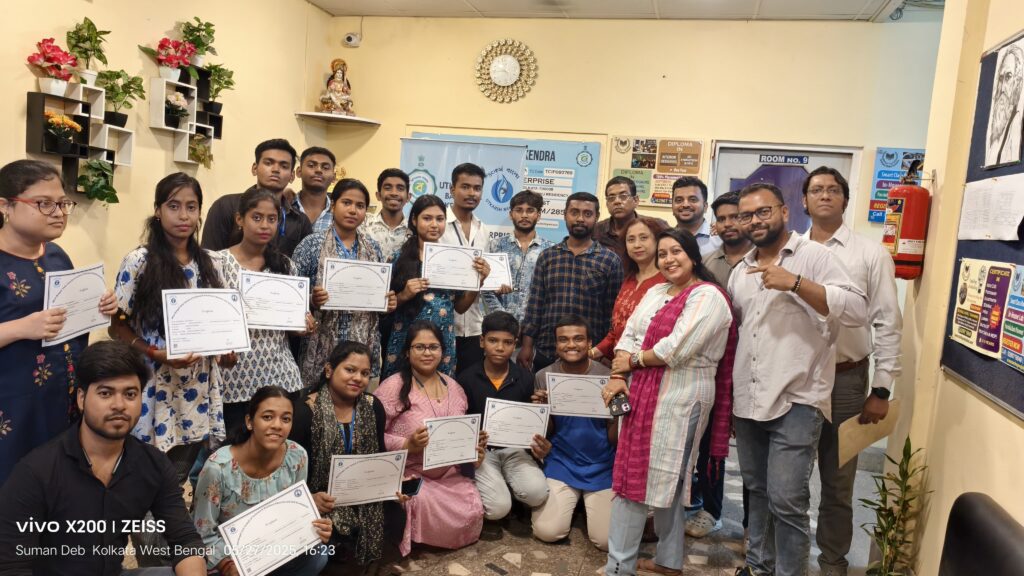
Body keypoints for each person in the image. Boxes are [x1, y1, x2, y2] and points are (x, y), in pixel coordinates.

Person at [729, 183, 867, 576]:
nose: (754, 221)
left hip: (798, 399)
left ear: (785, 211)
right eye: (746, 215)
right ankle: (758, 567)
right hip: (749, 398)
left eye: (763, 211)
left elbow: (857, 310)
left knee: (787, 500)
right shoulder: (740, 271)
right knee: (757, 491)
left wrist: (794, 283)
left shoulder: (815, 257)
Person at [0, 340, 206, 575]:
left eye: (130, 394)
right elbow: (11, 566)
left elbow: (186, 542)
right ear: (81, 399)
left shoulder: (153, 464)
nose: (119, 405)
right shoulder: (37, 471)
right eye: (105, 393)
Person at [601, 228, 736, 576]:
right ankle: (667, 561)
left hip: (682, 395)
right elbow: (629, 334)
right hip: (642, 390)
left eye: (676, 251)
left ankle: (619, 567)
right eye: (662, 254)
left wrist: (631, 362)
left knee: (660, 478)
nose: (668, 259)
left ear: (693, 256)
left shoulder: (708, 296)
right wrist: (619, 373)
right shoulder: (657, 291)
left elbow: (677, 347)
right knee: (656, 478)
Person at [802, 167, 902, 576]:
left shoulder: (869, 253)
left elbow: (888, 321)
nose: (824, 195)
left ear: (845, 198)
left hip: (846, 379)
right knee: (788, 479)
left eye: (833, 189)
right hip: (797, 379)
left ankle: (832, 563)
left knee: (838, 482)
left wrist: (882, 388)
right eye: (816, 190)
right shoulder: (791, 250)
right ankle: (784, 559)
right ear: (805, 200)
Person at [0, 159, 116, 485]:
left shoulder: (56, 255)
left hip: (60, 399)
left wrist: (99, 307)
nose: (59, 212)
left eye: (63, 203)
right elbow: (29, 324)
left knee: (57, 485)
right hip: (12, 404)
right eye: (44, 203)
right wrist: (21, 328)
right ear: (5, 206)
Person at [110, 172, 228, 465]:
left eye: (191, 207)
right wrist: (153, 352)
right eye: (173, 206)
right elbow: (116, 327)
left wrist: (228, 350)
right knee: (144, 467)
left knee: (178, 472)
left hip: (198, 384)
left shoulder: (212, 263)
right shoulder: (139, 261)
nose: (183, 216)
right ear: (158, 210)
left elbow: (221, 324)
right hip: (153, 379)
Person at [374, 320, 487, 556]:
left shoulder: (455, 387)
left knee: (471, 508)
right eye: (419, 347)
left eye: (433, 347)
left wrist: (473, 451)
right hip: (411, 472)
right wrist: (407, 444)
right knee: (423, 502)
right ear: (407, 352)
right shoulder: (393, 387)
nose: (427, 353)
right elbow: (371, 435)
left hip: (449, 473)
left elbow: (460, 436)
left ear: (442, 352)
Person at [290, 341, 407, 569]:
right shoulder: (304, 412)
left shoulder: (373, 406)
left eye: (364, 373)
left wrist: (392, 483)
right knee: (332, 540)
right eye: (350, 370)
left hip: (363, 493)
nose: (358, 378)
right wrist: (310, 498)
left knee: (394, 516)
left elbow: (379, 457)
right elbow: (290, 471)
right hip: (321, 500)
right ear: (329, 370)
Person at [193, 386, 332, 576]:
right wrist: (226, 565)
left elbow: (292, 514)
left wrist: (315, 525)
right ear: (249, 422)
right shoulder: (218, 468)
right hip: (232, 557)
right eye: (267, 417)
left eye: (286, 419)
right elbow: (202, 534)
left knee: (318, 554)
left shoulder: (297, 456)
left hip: (274, 548)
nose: (277, 425)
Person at [217, 188, 312, 434]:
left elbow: (294, 326)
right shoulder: (216, 263)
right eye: (256, 217)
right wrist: (218, 351)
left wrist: (304, 325)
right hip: (233, 377)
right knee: (235, 448)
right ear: (240, 219)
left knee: (277, 446)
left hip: (280, 375)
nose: (264, 225)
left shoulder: (286, 266)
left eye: (272, 219)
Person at [686, 190, 752, 540]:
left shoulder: (761, 261)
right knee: (710, 444)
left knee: (753, 452)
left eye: (736, 217)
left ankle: (753, 524)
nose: (728, 224)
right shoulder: (708, 263)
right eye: (722, 219)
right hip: (714, 366)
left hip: (752, 366)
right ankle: (711, 510)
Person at [293, 178, 397, 387]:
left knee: (357, 402)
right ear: (333, 205)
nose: (352, 210)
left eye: (360, 206)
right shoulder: (311, 244)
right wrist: (312, 299)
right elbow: (293, 294)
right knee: (317, 402)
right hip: (320, 344)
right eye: (346, 203)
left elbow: (379, 297)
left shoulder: (373, 248)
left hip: (362, 343)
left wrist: (387, 303)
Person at [531, 314, 615, 551]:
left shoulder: (608, 377)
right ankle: (575, 501)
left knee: (606, 541)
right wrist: (542, 411)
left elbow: (614, 438)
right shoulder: (544, 376)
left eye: (578, 339)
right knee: (548, 532)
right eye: (563, 339)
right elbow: (547, 432)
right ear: (556, 344)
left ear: (589, 343)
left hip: (601, 464)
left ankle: (584, 502)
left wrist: (619, 414)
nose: (571, 345)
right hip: (562, 461)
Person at [383, 194, 489, 378]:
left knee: (438, 391)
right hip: (406, 340)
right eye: (427, 218)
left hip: (442, 340)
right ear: (414, 220)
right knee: (400, 390)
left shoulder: (454, 259)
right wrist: (404, 295)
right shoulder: (398, 258)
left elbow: (460, 307)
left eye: (440, 219)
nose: (434, 224)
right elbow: (383, 307)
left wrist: (477, 282)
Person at [459, 312, 550, 521]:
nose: (500, 348)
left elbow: (533, 426)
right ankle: (493, 490)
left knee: (537, 494)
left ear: (515, 344)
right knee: (498, 509)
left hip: (515, 450)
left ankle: (511, 488)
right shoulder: (466, 379)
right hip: (483, 453)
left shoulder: (526, 378)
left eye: (507, 342)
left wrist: (539, 410)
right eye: (493, 341)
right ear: (482, 341)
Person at [519, 192, 623, 371]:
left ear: (597, 217)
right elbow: (535, 305)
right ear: (565, 215)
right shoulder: (548, 257)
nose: (580, 218)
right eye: (574, 212)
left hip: (592, 354)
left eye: (587, 214)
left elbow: (613, 315)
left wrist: (606, 352)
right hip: (547, 350)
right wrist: (527, 346)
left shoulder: (610, 260)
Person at [200, 139, 311, 256]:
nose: (276, 170)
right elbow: (209, 258)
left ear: (292, 176)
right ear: (254, 168)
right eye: (268, 163)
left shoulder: (300, 222)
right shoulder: (225, 206)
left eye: (284, 166)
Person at [590, 216, 668, 363]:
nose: (637, 245)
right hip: (619, 364)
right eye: (631, 240)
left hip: (647, 364)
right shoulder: (628, 280)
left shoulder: (667, 282)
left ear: (658, 241)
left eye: (644, 238)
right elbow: (616, 332)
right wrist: (590, 354)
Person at [440, 163, 492, 372]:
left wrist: (490, 278)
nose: (472, 193)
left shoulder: (484, 230)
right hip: (441, 324)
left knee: (468, 385)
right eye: (465, 187)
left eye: (477, 188)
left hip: (473, 327)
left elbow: (484, 277)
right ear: (452, 189)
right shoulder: (438, 224)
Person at [481, 189, 553, 322]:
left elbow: (551, 292)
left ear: (538, 215)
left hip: (535, 325)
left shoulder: (549, 250)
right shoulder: (495, 246)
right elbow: (485, 288)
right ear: (511, 214)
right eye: (519, 210)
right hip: (500, 325)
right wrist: (503, 320)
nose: (524, 215)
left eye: (530, 210)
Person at [594, 176, 668, 261]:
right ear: (607, 204)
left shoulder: (657, 226)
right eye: (611, 198)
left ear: (636, 200)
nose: (617, 201)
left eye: (623, 196)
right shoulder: (596, 231)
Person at [360, 168, 413, 260]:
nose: (394, 193)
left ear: (408, 197)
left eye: (400, 189)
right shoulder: (363, 225)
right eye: (388, 188)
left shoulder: (414, 229)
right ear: (378, 195)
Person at [671, 176, 721, 256]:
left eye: (693, 200)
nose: (685, 205)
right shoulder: (664, 240)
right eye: (679, 200)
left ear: (705, 206)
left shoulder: (720, 239)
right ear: (672, 207)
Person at [292, 146, 338, 231]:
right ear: (299, 171)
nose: (318, 170)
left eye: (325, 168)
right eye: (311, 165)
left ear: (334, 177)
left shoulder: (340, 213)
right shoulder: (284, 207)